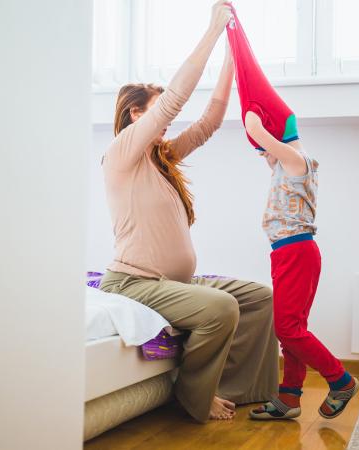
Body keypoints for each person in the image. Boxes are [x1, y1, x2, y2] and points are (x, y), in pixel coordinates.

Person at [98, 1, 278, 423]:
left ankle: (235, 389)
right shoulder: (122, 152)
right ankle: (193, 395)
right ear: (135, 114)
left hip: (174, 282)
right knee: (221, 309)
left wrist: (232, 57)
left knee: (259, 298)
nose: (166, 122)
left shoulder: (162, 158)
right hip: (133, 283)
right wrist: (214, 31)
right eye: (156, 112)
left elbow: (210, 120)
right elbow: (176, 100)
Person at [224, 6, 359, 420]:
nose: (267, 155)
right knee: (293, 328)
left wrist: (257, 125)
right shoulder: (283, 161)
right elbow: (266, 148)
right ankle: (289, 398)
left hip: (297, 251)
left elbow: (262, 136)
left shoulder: (300, 160)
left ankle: (340, 380)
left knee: (288, 329)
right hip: (287, 252)